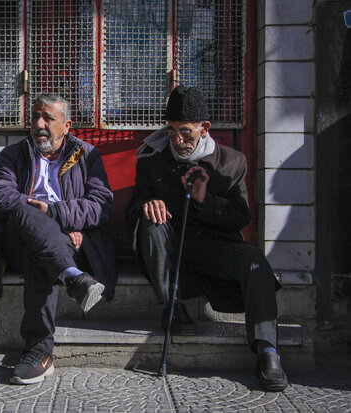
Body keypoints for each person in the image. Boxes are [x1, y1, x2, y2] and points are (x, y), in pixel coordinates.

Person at [126, 85, 288, 392]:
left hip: (214, 248)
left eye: (185, 132)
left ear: (204, 128)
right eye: (171, 131)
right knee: (151, 222)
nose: (177, 140)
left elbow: (241, 217)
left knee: (254, 260)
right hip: (170, 251)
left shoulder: (232, 162)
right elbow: (132, 208)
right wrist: (146, 204)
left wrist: (205, 200)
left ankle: (268, 350)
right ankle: (172, 307)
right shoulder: (152, 158)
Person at [0, 93, 116, 385]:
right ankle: (74, 278)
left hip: (70, 243)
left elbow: (101, 204)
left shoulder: (87, 155)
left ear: (67, 125)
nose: (39, 124)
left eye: (48, 118)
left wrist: (57, 213)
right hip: (19, 241)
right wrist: (46, 218)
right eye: (35, 117)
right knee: (27, 218)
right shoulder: (14, 155)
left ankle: (38, 352)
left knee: (42, 255)